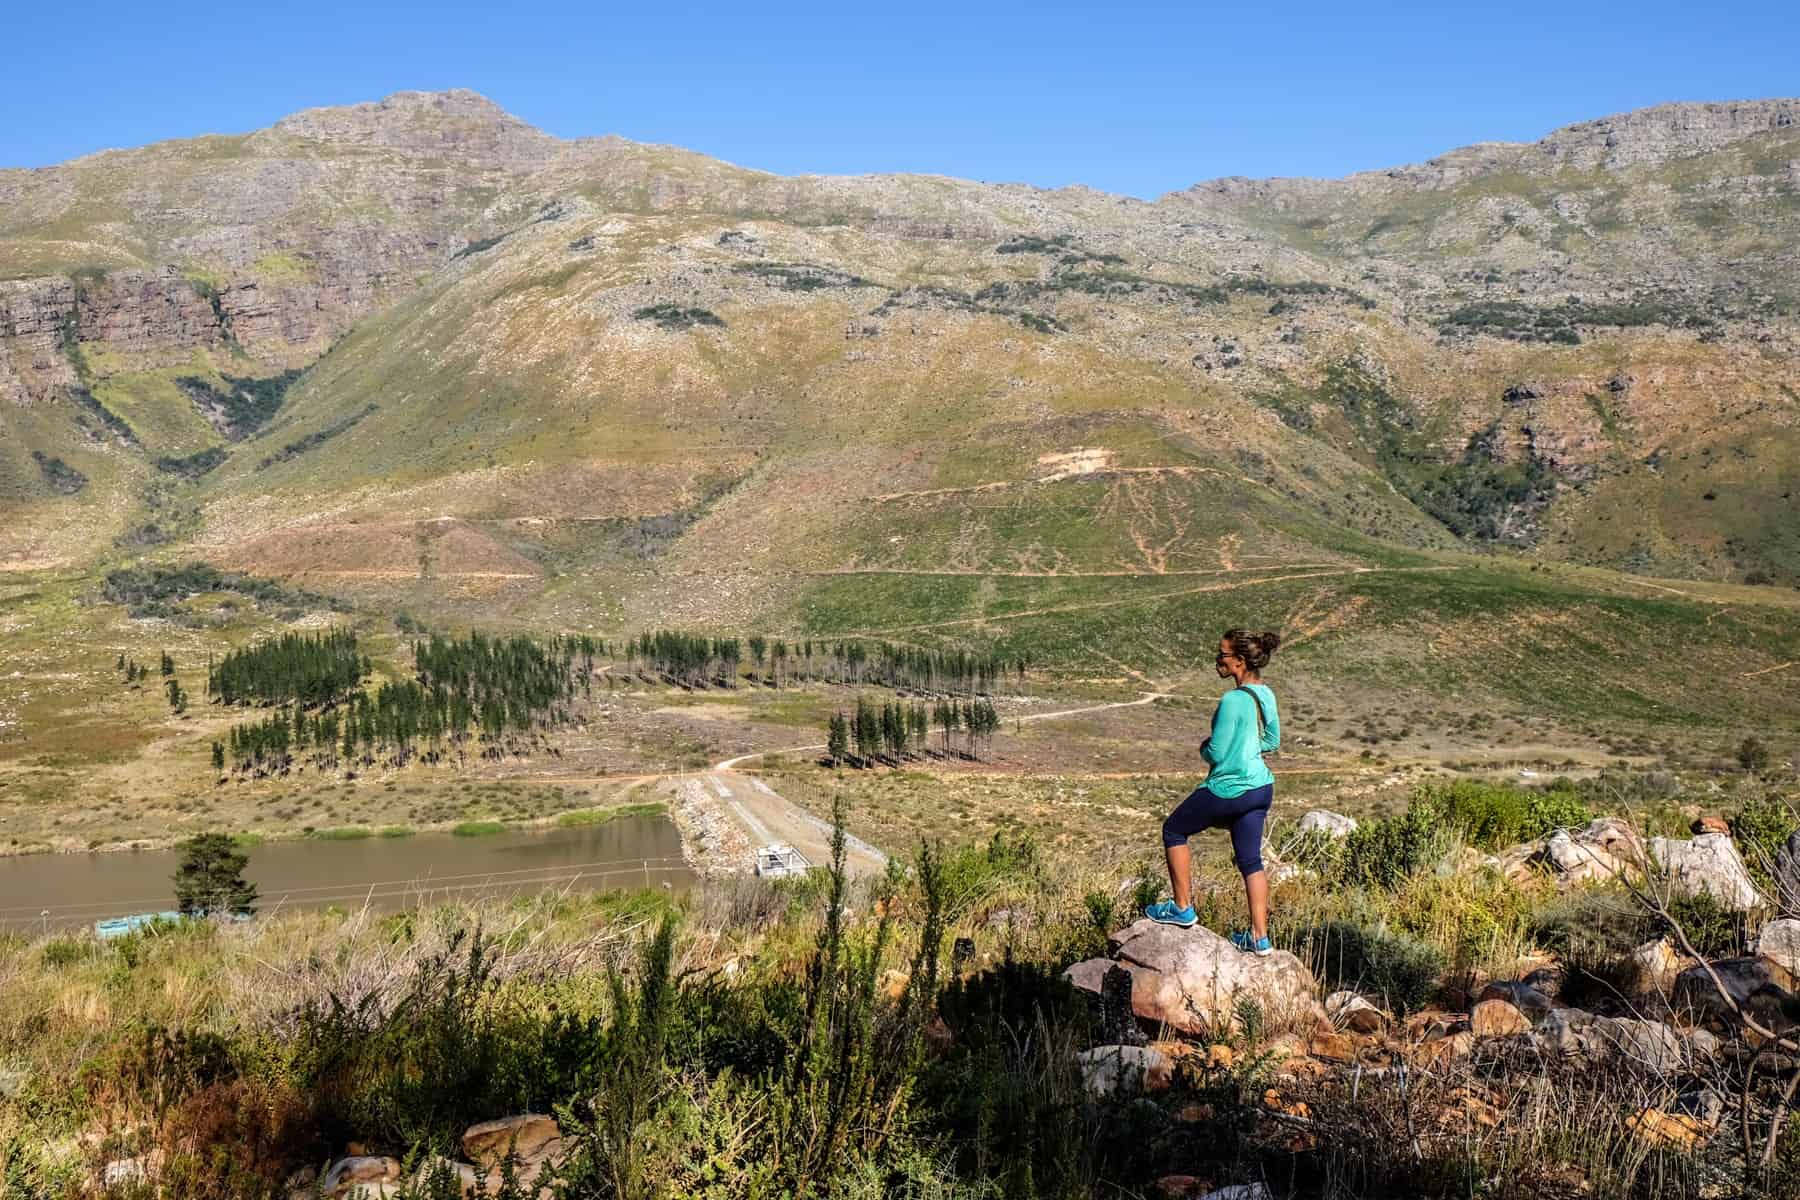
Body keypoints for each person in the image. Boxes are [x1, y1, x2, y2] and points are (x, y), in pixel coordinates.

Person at [1144, 629, 1282, 954]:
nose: (1216, 659)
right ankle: (1259, 938)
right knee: (1251, 861)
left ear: (1239, 661)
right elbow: (1272, 741)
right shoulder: (1266, 694)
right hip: (1261, 787)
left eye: (1221, 654)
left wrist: (1205, 749)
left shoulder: (1232, 700)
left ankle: (1182, 908)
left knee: (1174, 830)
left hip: (1228, 787)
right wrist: (1248, 748)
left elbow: (1217, 752)